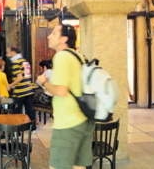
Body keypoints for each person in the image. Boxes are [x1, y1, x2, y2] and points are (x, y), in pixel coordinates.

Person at [37, 24, 95, 169]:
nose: (49, 36)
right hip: (84, 119)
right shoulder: (79, 56)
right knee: (78, 166)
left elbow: (61, 91)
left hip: (68, 122)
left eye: (54, 33)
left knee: (58, 166)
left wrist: (43, 82)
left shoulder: (62, 57)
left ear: (64, 39)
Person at [6, 46, 36, 132]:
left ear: (13, 52)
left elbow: (19, 78)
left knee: (16, 111)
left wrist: (10, 86)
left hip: (20, 91)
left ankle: (17, 130)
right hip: (29, 89)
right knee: (30, 110)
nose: (7, 55)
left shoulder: (16, 63)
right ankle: (33, 128)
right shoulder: (25, 61)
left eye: (8, 52)